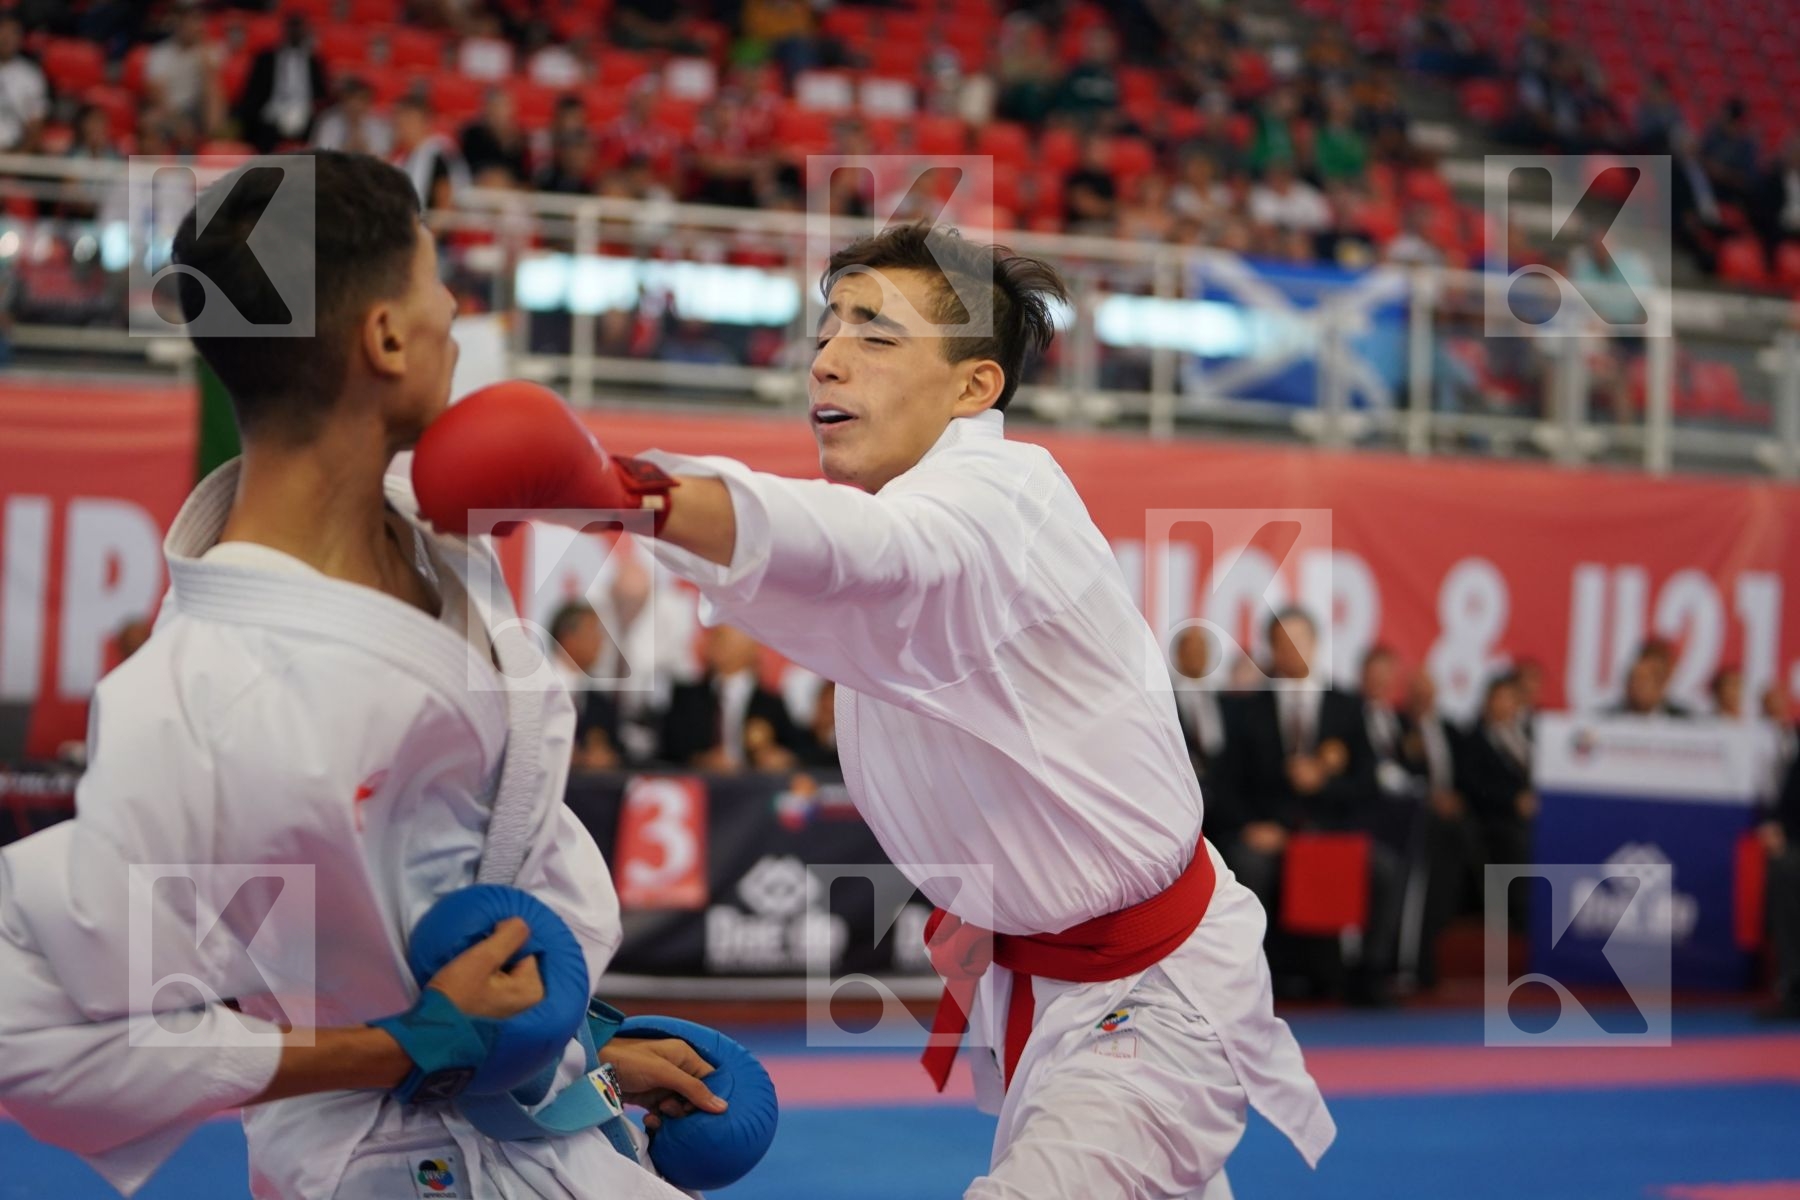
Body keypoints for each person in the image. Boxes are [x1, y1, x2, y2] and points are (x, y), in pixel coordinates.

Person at [412, 223, 1336, 1197]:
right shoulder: (919, 523)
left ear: (974, 387)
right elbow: (847, 567)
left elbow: (866, 550)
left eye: (875, 334)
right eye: (827, 328)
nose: (828, 354)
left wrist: (618, 492)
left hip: (1150, 997)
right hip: (1053, 988)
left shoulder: (999, 496)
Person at [0, 151, 717, 1200]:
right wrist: (403, 1044)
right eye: (436, 281)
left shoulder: (440, 543)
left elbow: (471, 882)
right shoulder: (198, 696)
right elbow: (33, 1037)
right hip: (384, 1168)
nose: (456, 307)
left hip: (538, 1127)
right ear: (385, 336)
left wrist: (573, 1037)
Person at [1213, 608, 1403, 1004]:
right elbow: (1226, 784)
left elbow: (1368, 782)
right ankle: (1254, 978)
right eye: (1283, 643)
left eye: (1300, 641)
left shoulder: (1347, 707)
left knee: (1385, 871)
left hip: (1331, 834)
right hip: (1272, 833)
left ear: (1316, 645)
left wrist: (1324, 781)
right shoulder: (1247, 710)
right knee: (1247, 866)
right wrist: (1251, 826)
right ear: (1272, 649)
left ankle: (1369, 976)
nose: (1292, 651)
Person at [657, 625, 808, 771]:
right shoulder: (687, 697)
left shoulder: (771, 702)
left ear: (753, 649)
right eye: (716, 637)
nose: (717, 644)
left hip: (755, 788)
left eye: (725, 638)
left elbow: (798, 749)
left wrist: (780, 758)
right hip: (700, 787)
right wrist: (700, 760)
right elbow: (668, 747)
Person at [550, 600, 625, 771]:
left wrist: (604, 756)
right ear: (568, 638)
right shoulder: (535, 690)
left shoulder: (600, 703)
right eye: (593, 632)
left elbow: (617, 752)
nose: (600, 641)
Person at [235, 15, 327, 153]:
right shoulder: (266, 58)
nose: (295, 32)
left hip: (305, 113)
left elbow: (321, 93)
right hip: (272, 114)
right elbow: (252, 91)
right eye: (292, 28)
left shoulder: (314, 61)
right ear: (284, 30)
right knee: (262, 132)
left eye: (299, 28)